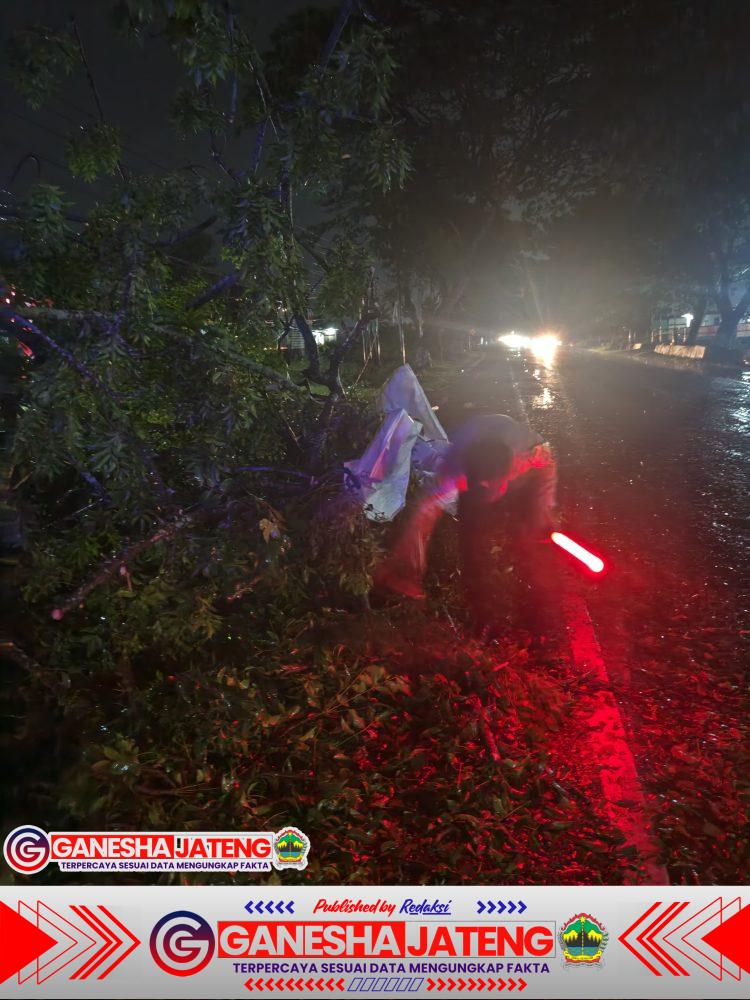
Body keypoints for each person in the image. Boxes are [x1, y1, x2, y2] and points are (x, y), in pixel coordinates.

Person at [374, 414, 557, 621]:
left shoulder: (533, 454)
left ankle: (538, 587)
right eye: (486, 486)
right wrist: (406, 566)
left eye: (498, 486)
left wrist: (542, 515)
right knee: (440, 515)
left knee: (531, 523)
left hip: (512, 454)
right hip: (478, 458)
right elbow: (426, 511)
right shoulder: (456, 463)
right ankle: (403, 573)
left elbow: (545, 480)